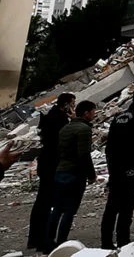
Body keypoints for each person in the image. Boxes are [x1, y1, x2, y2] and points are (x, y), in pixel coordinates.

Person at [101, 88, 134, 249]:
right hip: (132, 166)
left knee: (112, 205)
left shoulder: (119, 117)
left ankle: (106, 242)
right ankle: (123, 241)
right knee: (128, 205)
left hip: (116, 167)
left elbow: (109, 147)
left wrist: (111, 167)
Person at [46, 100, 97, 251]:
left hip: (61, 171)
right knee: (69, 210)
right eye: (93, 111)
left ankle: (49, 242)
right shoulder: (84, 130)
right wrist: (91, 175)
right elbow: (84, 155)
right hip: (75, 174)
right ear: (86, 113)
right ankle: (62, 243)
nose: (95, 114)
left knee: (57, 209)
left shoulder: (65, 128)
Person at [27, 92, 75, 251]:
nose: (73, 107)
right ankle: (44, 241)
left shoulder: (50, 117)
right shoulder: (60, 120)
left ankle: (36, 238)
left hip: (46, 164)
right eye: (72, 104)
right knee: (49, 203)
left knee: (43, 202)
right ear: (67, 105)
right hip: (53, 165)